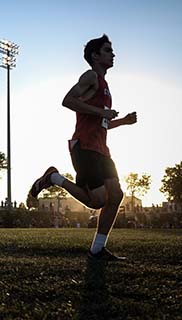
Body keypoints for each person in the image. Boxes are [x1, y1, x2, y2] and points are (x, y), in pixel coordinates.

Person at [30, 34, 137, 261]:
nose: (113, 54)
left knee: (116, 195)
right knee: (97, 201)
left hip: (102, 150)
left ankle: (97, 250)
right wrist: (102, 112)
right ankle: (54, 178)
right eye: (108, 50)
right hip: (85, 147)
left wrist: (123, 121)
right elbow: (68, 100)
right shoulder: (91, 77)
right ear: (95, 56)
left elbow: (103, 122)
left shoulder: (106, 86)